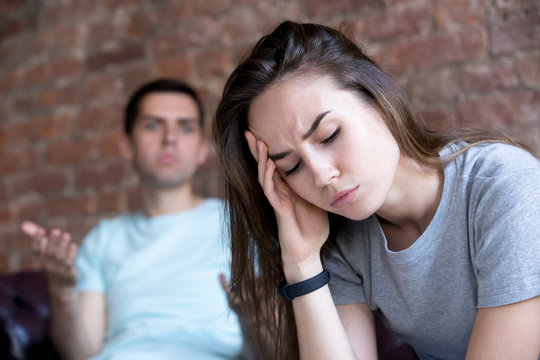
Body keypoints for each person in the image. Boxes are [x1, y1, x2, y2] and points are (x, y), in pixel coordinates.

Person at [212, 20, 540, 360]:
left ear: (378, 100)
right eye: (291, 167)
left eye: (329, 135)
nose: (322, 176)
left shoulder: (504, 186)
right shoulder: (342, 239)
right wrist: (304, 264)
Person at [21, 79, 243, 360]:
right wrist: (62, 292)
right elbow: (80, 353)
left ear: (201, 149)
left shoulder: (239, 225)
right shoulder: (104, 238)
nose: (170, 138)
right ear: (127, 145)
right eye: (153, 125)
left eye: (185, 127)